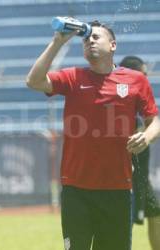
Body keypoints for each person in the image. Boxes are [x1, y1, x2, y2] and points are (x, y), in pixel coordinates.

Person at [26, 20, 160, 250]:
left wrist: (146, 137)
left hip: (117, 190)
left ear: (113, 45)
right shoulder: (73, 77)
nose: (90, 41)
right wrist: (57, 42)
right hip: (76, 190)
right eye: (86, 39)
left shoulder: (136, 80)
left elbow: (154, 121)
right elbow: (33, 81)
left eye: (97, 37)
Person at [120, 55, 160, 250]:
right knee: (124, 222)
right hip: (126, 176)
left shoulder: (142, 99)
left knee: (156, 213)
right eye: (143, 74)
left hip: (142, 176)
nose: (147, 78)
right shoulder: (120, 99)